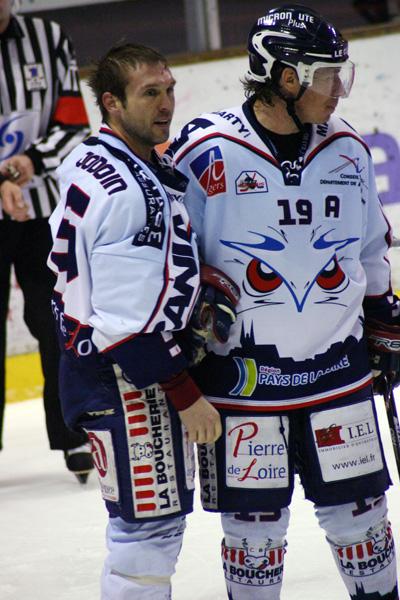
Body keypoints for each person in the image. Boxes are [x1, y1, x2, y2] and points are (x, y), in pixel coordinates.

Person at [165, 5, 399, 599]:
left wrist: (383, 319)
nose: (338, 91)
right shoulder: (206, 148)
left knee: (364, 526)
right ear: (286, 78)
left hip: (338, 373)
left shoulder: (346, 148)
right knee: (254, 539)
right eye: (327, 76)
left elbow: (370, 248)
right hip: (241, 381)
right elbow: (171, 252)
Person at [47, 43, 240, 599]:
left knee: (145, 531)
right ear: (111, 102)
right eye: (149, 93)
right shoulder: (133, 190)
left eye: (169, 89)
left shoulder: (93, 157)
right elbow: (123, 321)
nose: (166, 104)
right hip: (127, 376)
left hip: (101, 367)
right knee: (147, 537)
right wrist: (184, 393)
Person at [0, 0, 93, 482]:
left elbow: (74, 124)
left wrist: (27, 164)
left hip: (42, 210)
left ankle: (72, 433)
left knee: (55, 319)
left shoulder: (48, 38)